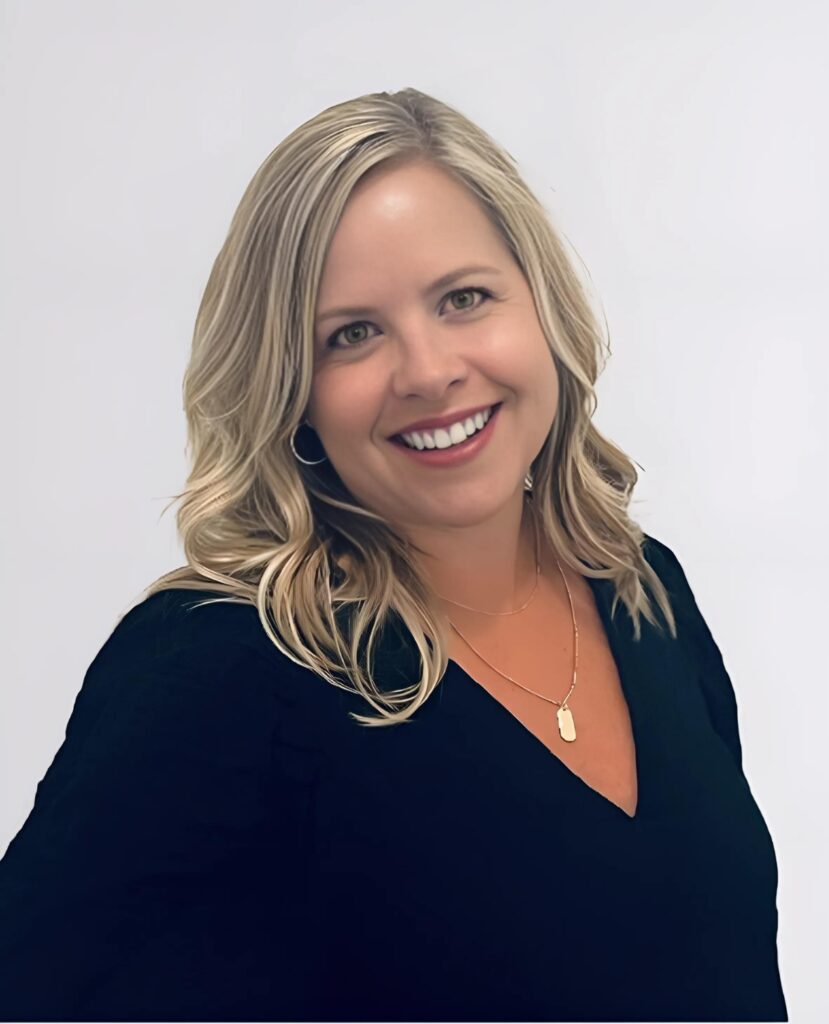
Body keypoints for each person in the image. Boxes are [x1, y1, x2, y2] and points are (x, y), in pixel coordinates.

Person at [0, 88, 788, 1022]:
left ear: (542, 307)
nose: (427, 370)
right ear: (290, 388)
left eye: (464, 298)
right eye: (352, 335)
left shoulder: (638, 584)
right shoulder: (218, 664)